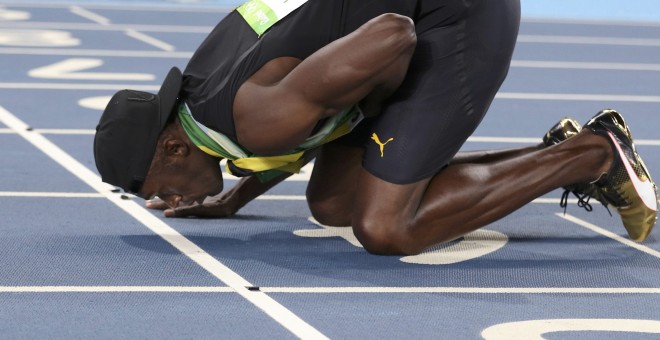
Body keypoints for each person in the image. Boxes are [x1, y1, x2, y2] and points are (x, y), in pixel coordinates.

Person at [93, 0, 658, 255]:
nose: (159, 198)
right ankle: (549, 156)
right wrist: (238, 194)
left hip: (455, 17)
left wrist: (374, 110)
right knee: (335, 202)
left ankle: (593, 155)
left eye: (148, 186)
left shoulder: (256, 121)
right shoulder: (204, 89)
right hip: (411, 18)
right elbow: (294, 110)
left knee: (386, 228)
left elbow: (392, 35)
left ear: (170, 147)